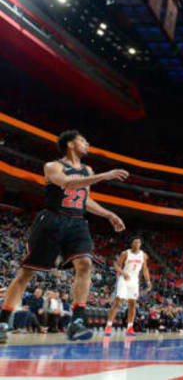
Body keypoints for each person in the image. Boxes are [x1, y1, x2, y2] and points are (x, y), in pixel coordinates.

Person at [0, 130, 128, 344]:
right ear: (70, 144)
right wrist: (104, 176)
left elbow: (84, 199)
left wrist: (109, 214)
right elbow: (67, 183)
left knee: (85, 264)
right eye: (83, 140)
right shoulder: (53, 166)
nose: (87, 143)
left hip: (77, 222)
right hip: (52, 221)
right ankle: (3, 321)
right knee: (27, 273)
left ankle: (76, 322)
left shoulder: (88, 169)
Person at [104, 237, 152, 337]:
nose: (137, 244)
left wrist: (148, 281)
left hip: (134, 281)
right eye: (135, 242)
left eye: (139, 242)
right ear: (132, 244)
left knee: (132, 304)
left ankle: (130, 328)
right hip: (124, 279)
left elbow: (145, 269)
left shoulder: (143, 255)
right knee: (117, 302)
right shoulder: (125, 253)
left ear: (140, 244)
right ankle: (108, 326)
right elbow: (116, 266)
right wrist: (122, 273)